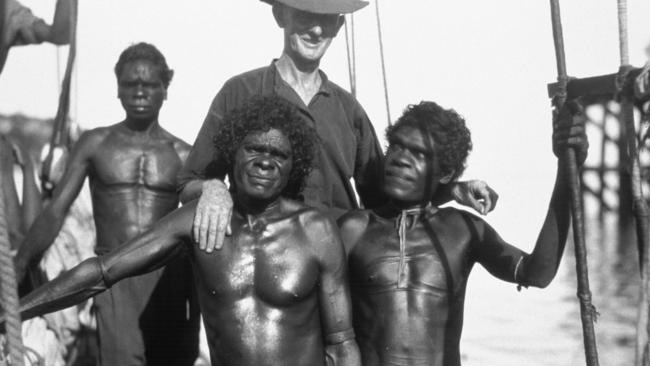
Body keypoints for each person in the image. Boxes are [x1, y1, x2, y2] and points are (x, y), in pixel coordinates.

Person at [8, 96, 361, 366]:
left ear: (292, 165)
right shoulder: (200, 221)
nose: (265, 161)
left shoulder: (315, 230)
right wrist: (13, 313)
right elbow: (102, 272)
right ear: (233, 152)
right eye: (254, 149)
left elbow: (341, 343)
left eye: (278, 155)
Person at [178, 0, 499, 253]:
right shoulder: (239, 92)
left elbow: (387, 200)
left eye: (328, 18)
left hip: (338, 265)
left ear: (339, 25)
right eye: (305, 14)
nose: (316, 30)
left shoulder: (350, 111)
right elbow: (189, 182)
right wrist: (213, 188)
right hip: (260, 264)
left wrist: (451, 191)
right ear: (280, 15)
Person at [337, 100, 588, 366]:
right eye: (396, 147)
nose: (400, 160)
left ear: (446, 173)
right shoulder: (354, 229)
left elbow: (537, 273)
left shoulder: (462, 230)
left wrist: (567, 169)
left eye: (418, 154)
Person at [13, 42, 200, 366]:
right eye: (130, 84)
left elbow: (200, 229)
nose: (139, 92)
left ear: (165, 89)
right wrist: (20, 265)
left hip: (168, 279)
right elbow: (56, 212)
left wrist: (196, 308)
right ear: (117, 88)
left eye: (149, 85)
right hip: (114, 275)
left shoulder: (184, 155)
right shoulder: (96, 144)